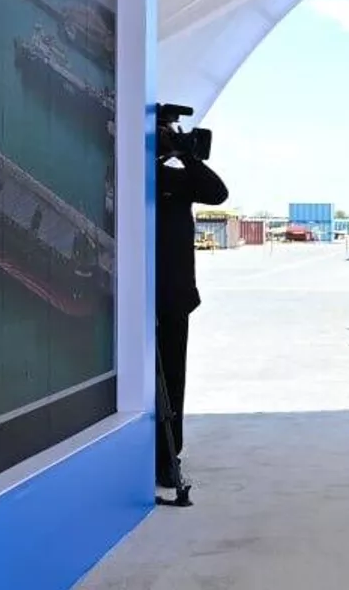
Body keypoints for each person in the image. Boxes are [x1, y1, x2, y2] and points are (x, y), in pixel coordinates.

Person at [155, 114, 228, 490]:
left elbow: (217, 193)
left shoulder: (174, 179)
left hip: (172, 294)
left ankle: (168, 455)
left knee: (172, 378)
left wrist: (185, 154)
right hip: (134, 293)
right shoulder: (135, 177)